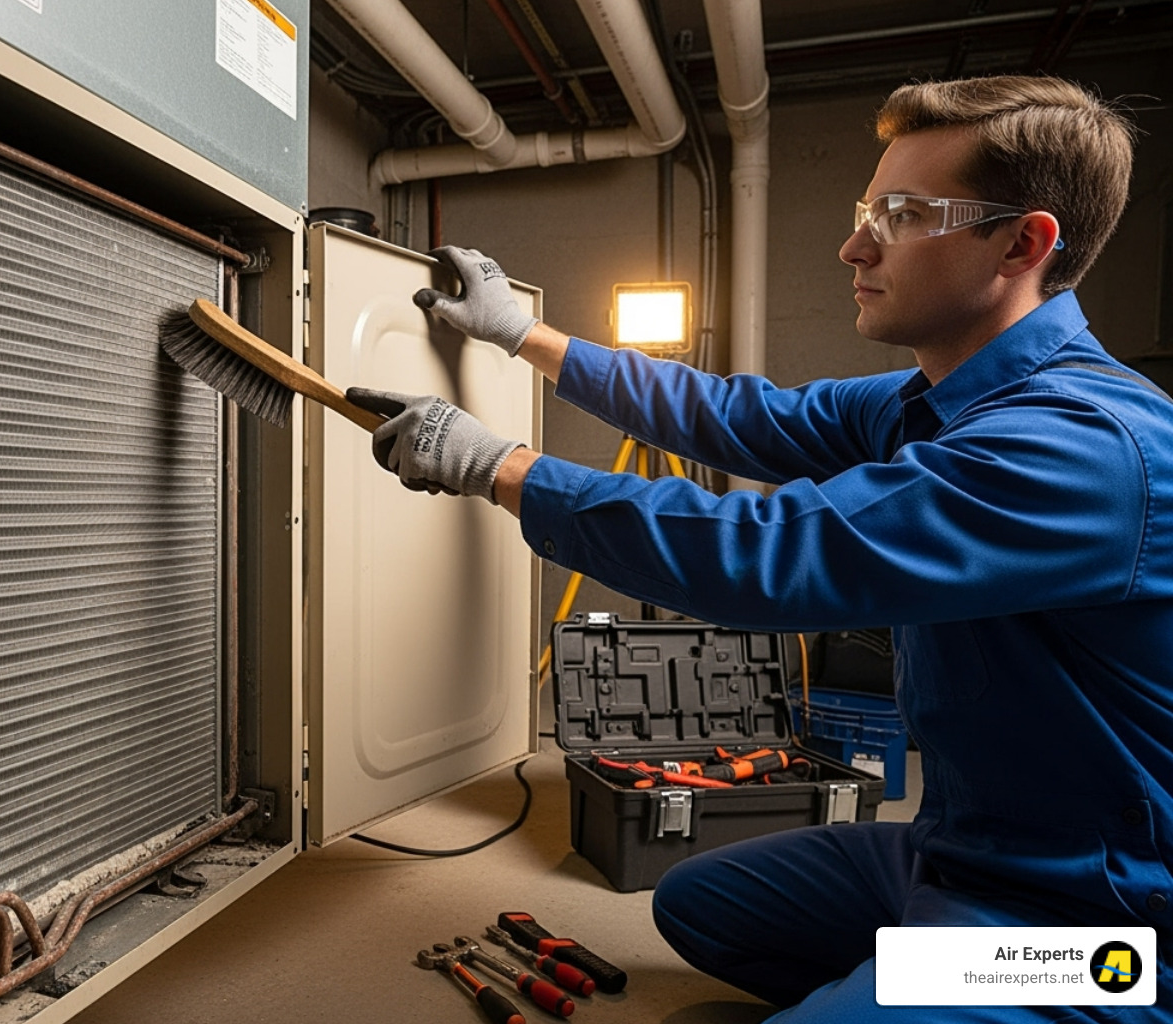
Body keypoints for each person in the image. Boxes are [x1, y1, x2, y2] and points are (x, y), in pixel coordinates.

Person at [347, 75, 1173, 1021]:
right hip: (960, 849)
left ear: (1023, 244)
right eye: (871, 208)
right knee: (702, 906)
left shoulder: (1084, 450)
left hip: (1100, 917)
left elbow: (777, 554)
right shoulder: (937, 404)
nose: (855, 244)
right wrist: (526, 336)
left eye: (902, 215)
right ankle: (932, 969)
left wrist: (502, 467)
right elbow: (745, 417)